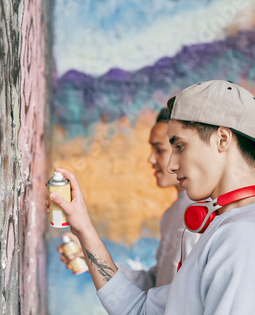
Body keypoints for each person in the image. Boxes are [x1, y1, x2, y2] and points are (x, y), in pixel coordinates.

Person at [47, 80, 255, 315]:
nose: (171, 164)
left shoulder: (247, 240)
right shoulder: (230, 227)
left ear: (222, 139)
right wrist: (84, 230)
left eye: (179, 146)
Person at [57, 109, 200, 291]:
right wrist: (92, 259)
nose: (150, 159)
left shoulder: (202, 217)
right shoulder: (173, 213)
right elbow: (155, 284)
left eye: (159, 150)